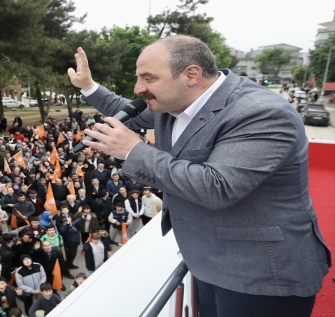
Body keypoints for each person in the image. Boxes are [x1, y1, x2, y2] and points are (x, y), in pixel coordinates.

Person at [68, 38, 330, 316]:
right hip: (206, 260)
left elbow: (218, 188)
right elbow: (128, 112)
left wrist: (133, 151)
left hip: (262, 274)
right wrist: (89, 86)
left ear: (191, 75)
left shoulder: (261, 111)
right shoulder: (174, 103)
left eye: (148, 78)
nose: (138, 89)